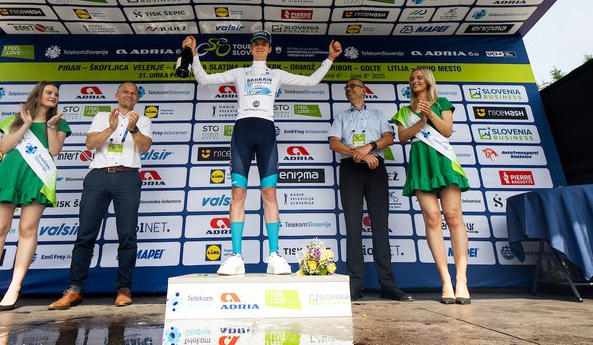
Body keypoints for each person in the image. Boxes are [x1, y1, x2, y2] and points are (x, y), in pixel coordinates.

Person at [182, 30, 342, 275]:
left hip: (266, 131)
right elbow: (203, 79)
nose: (259, 47)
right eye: (255, 43)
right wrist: (193, 54)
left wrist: (329, 59)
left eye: (263, 44)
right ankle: (236, 256)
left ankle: (274, 256)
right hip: (242, 132)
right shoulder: (239, 72)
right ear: (250, 48)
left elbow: (311, 81)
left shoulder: (276, 74)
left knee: (269, 192)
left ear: (269, 49)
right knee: (238, 192)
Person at [48, 82, 153, 309]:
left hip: (128, 177)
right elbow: (90, 144)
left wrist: (133, 129)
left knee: (127, 234)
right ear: (116, 95)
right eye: (125, 92)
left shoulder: (143, 120)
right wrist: (111, 129)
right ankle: (75, 289)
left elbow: (145, 147)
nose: (129, 95)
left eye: (133, 93)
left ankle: (124, 288)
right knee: (85, 234)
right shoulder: (102, 116)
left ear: (137, 98)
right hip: (98, 176)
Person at [0, 81, 71, 312]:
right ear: (38, 94)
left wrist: (51, 127)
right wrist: (25, 124)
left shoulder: (59, 122)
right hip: (9, 176)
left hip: (37, 177)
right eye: (49, 92)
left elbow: (55, 151)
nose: (53, 96)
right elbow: (4, 148)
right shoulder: (15, 119)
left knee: (27, 230)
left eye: (56, 94)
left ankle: (14, 288)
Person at [328, 78, 414, 301]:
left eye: (353, 86)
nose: (349, 89)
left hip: (376, 168)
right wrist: (358, 154)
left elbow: (389, 138)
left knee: (380, 226)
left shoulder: (377, 114)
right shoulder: (341, 117)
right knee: (353, 226)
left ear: (363, 90)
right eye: (346, 87)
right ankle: (354, 286)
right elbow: (334, 143)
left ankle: (388, 285)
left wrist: (369, 147)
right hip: (350, 168)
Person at [391, 67, 471, 304]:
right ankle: (445, 280)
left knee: (454, 217)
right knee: (432, 218)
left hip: (443, 161)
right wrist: (421, 121)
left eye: (419, 77)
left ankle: (462, 280)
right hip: (421, 163)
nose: (415, 81)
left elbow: (447, 131)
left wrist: (431, 115)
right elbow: (403, 137)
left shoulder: (442, 102)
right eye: (412, 79)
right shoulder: (405, 111)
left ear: (428, 81)